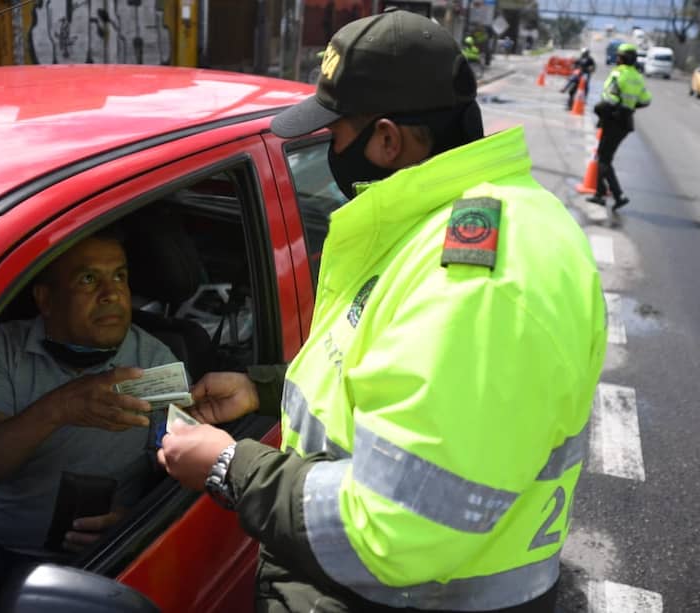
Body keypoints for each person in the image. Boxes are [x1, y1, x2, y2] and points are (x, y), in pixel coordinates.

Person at [157, 10, 606, 613]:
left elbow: (395, 526)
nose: (329, 150)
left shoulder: (476, 279)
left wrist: (229, 466)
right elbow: (396, 378)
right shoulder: (452, 220)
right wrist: (263, 391)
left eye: (334, 134)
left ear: (388, 139)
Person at [0, 229, 177, 572]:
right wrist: (60, 407)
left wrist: (135, 521)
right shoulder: (5, 350)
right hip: (0, 554)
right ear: (45, 299)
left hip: (109, 558)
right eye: (89, 279)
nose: (112, 294)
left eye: (119, 276)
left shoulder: (154, 362)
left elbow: (182, 472)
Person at [587, 42, 651, 211]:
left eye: (618, 56)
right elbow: (645, 100)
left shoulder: (617, 74)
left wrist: (603, 108)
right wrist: (629, 106)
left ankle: (618, 195)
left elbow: (610, 98)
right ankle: (600, 194)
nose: (616, 58)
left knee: (604, 160)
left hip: (613, 121)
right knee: (604, 157)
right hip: (625, 122)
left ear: (622, 58)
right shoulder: (638, 77)